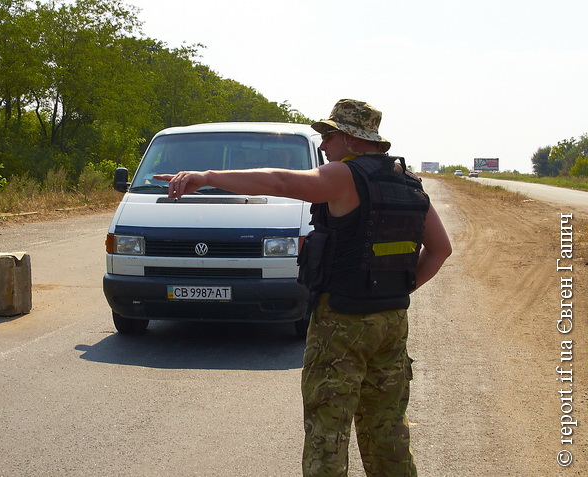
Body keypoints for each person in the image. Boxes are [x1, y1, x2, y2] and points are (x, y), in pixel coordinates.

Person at [155, 99, 452, 476]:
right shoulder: (408, 182)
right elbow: (441, 250)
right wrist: (393, 294)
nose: (323, 146)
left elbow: (280, 182)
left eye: (329, 136)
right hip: (391, 322)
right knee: (387, 429)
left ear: (351, 138)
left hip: (342, 323)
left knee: (327, 432)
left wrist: (207, 176)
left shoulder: (343, 175)